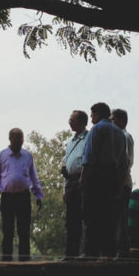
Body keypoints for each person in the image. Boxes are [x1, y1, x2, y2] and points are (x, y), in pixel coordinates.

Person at [0, 128, 44, 261]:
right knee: (8, 230)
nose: (21, 140)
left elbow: (33, 177)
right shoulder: (1, 156)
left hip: (24, 197)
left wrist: (38, 195)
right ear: (10, 138)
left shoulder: (27, 156)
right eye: (18, 137)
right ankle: (6, 260)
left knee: (24, 230)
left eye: (22, 137)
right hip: (7, 197)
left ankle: (25, 261)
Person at [80, 102, 127, 258]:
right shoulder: (120, 133)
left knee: (91, 215)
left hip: (97, 175)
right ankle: (109, 252)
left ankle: (90, 252)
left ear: (97, 114)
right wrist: (120, 182)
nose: (91, 118)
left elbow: (89, 156)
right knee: (109, 217)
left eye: (92, 114)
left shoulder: (97, 129)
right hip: (113, 176)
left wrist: (83, 178)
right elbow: (124, 162)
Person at [60, 110, 89, 259]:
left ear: (83, 122)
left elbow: (87, 161)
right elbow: (66, 163)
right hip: (71, 181)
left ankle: (85, 253)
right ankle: (70, 254)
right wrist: (65, 188)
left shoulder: (89, 137)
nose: (70, 122)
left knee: (85, 219)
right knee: (71, 220)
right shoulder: (70, 142)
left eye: (73, 120)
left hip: (83, 181)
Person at [111, 108, 134, 257]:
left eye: (113, 119)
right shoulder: (118, 136)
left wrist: (120, 182)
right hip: (118, 182)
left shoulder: (124, 136)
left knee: (120, 218)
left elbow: (127, 162)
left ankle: (122, 251)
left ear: (121, 121)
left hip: (122, 183)